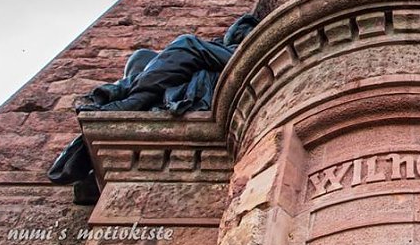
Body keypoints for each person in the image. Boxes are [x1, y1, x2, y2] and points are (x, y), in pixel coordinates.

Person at [48, 12, 261, 204]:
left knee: (187, 44)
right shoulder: (214, 50)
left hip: (250, 67)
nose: (239, 31)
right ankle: (131, 103)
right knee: (143, 58)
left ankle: (126, 101)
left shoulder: (242, 47)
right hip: (201, 85)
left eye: (244, 29)